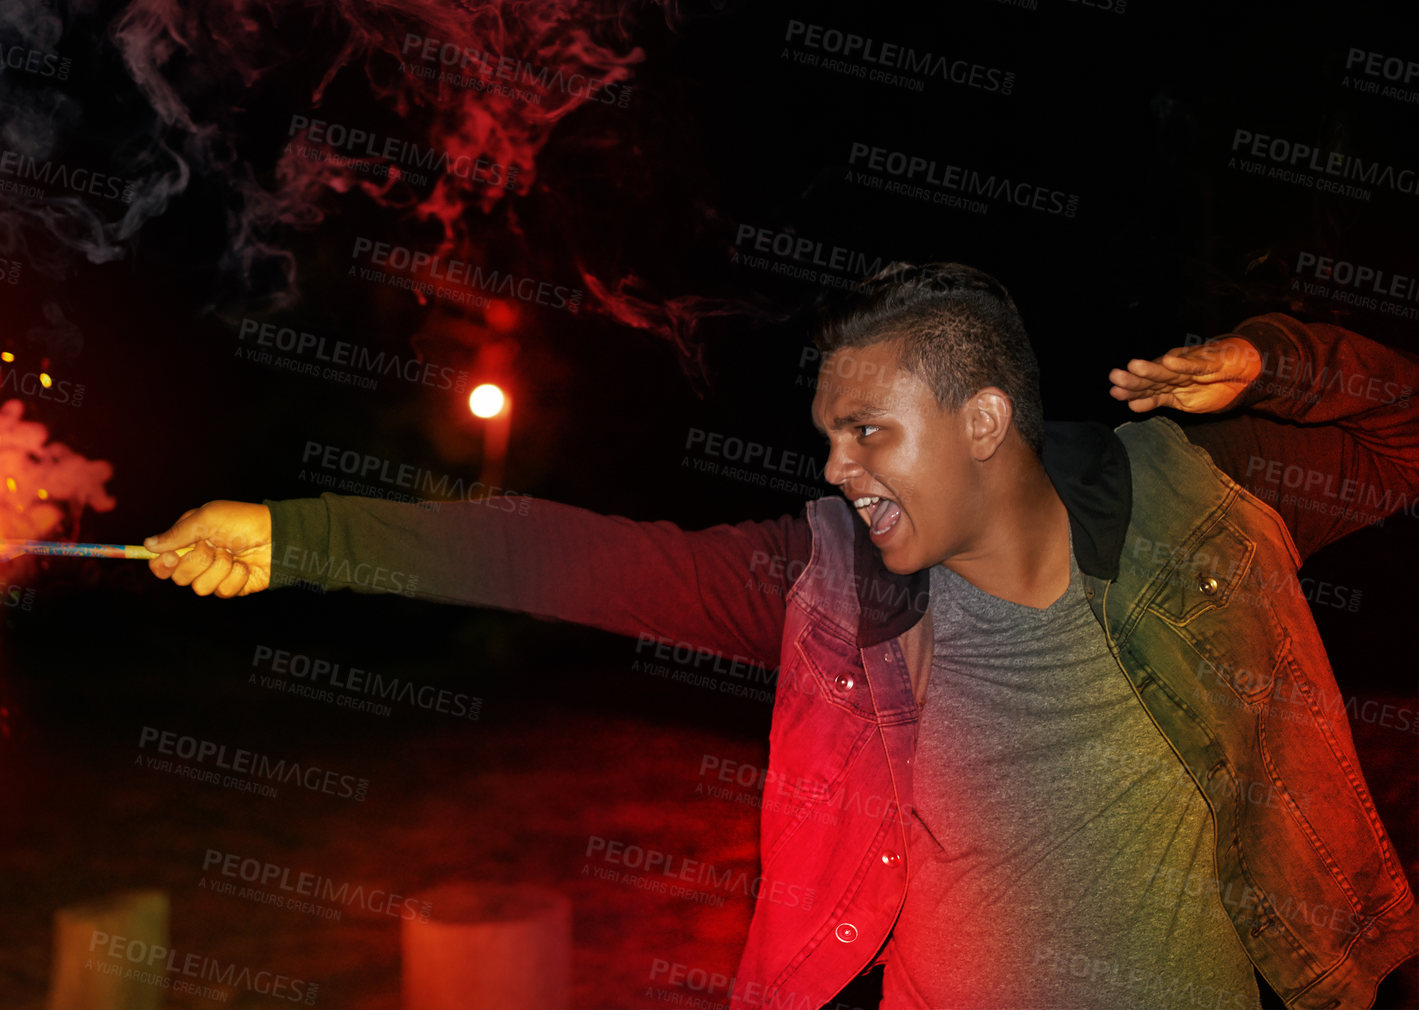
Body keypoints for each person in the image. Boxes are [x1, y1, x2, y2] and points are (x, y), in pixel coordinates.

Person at [142, 262, 1419, 1009]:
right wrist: (295, 535)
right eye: (827, 432)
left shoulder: (1198, 507)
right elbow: (579, 556)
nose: (835, 464)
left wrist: (1276, 361)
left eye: (868, 429)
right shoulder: (827, 584)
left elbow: (1398, 431)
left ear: (982, 420)